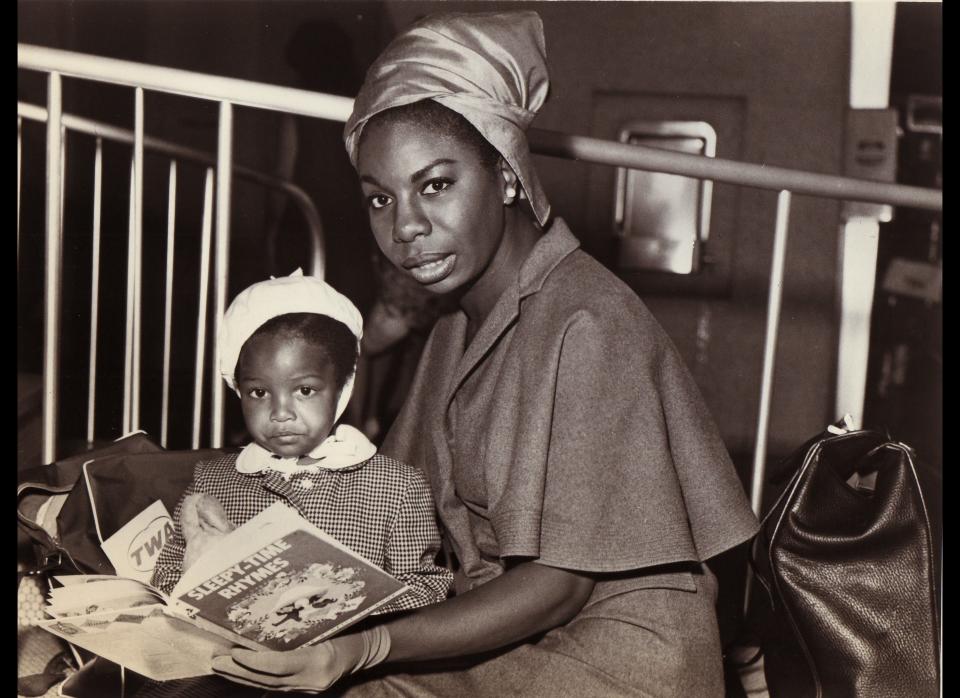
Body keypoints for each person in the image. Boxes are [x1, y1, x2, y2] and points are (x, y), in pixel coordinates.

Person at [212, 11, 760, 696]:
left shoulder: (590, 322)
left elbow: (558, 588)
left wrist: (367, 647)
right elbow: (388, 500)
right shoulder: (454, 322)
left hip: (613, 668)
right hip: (516, 649)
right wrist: (240, 531)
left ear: (506, 176)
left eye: (435, 185)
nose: (405, 227)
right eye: (380, 199)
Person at [151, 270, 453, 610]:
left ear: (341, 388)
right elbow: (168, 572)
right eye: (259, 392)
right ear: (238, 390)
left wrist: (352, 612)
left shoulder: (397, 487)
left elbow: (427, 588)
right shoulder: (213, 481)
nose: (281, 413)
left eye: (304, 390)